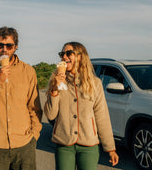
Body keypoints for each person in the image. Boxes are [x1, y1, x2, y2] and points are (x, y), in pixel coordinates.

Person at [0, 26, 43, 170]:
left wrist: (33, 136)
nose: (4, 49)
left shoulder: (28, 71)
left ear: (15, 47)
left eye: (9, 45)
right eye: (0, 45)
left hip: (24, 145)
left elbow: (34, 108)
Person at [44, 42, 119, 170]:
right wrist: (55, 89)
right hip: (64, 143)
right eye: (62, 54)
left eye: (68, 53)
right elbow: (50, 114)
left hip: (89, 144)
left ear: (80, 56)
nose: (64, 57)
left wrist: (110, 148)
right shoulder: (55, 81)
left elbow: (102, 117)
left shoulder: (95, 83)